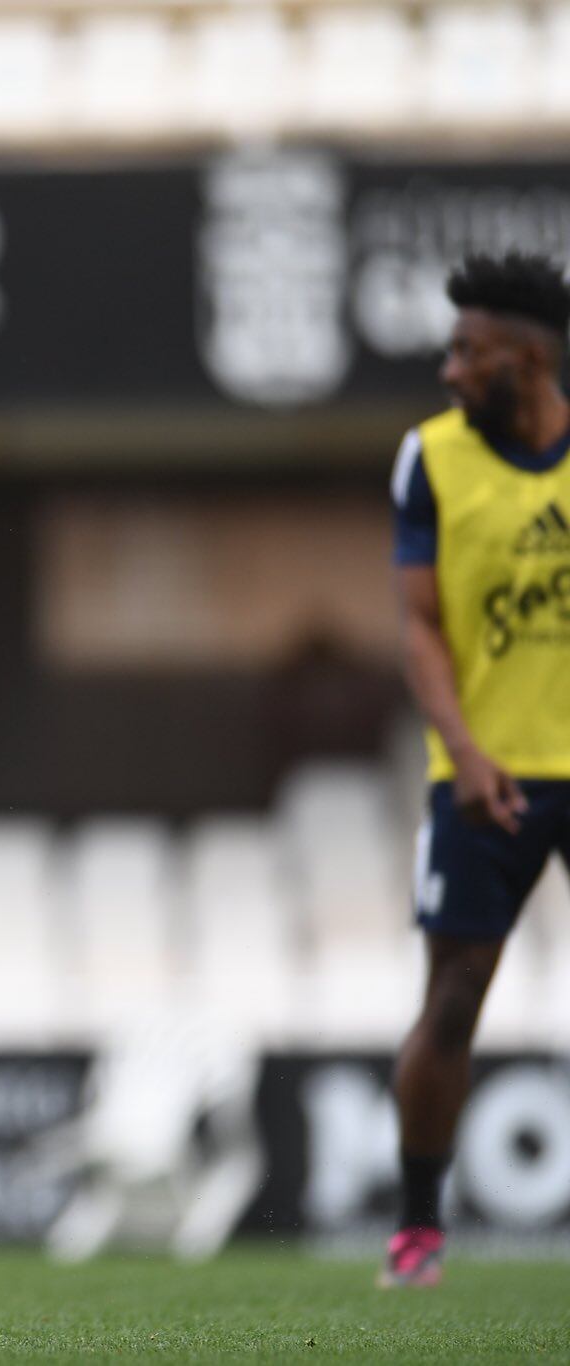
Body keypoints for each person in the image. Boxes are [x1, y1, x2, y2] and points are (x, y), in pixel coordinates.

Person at [385, 251, 570, 1289]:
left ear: (528, 356)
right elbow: (417, 625)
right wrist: (463, 750)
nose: (449, 369)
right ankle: (416, 1226)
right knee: (451, 1001)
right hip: (481, 770)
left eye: (470, 350)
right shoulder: (428, 458)